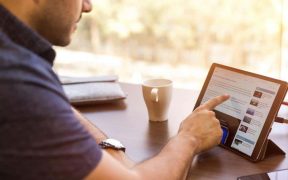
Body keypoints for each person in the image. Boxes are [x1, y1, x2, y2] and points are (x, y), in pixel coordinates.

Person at [0, 0, 229, 179]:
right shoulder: (13, 77)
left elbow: (46, 105)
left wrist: (110, 150)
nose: (88, 6)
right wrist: (190, 138)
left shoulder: (17, 65)